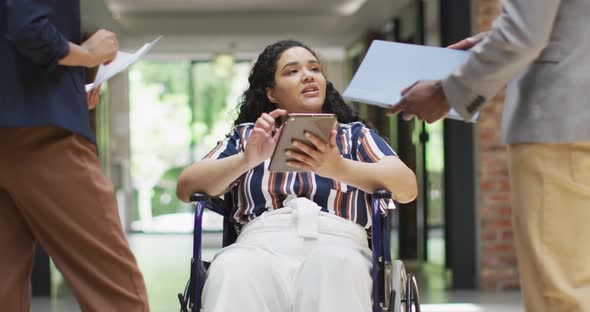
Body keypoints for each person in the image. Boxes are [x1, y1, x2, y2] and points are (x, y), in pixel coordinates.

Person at [176, 40, 417, 312]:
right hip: (260, 242)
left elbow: (407, 188)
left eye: (314, 68)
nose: (308, 75)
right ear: (271, 93)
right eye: (292, 71)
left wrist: (337, 168)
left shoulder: (354, 136)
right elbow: (187, 187)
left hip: (339, 240)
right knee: (231, 268)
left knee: (333, 265)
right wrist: (248, 159)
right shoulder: (249, 137)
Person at [389, 1, 590, 311]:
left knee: (561, 296)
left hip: (561, 128)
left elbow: (524, 34)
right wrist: (492, 41)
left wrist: (445, 92)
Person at [0, 1, 149, 311]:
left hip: (19, 117)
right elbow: (29, 29)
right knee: (114, 286)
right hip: (41, 131)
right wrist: (89, 54)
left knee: (5, 283)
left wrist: (70, 84)